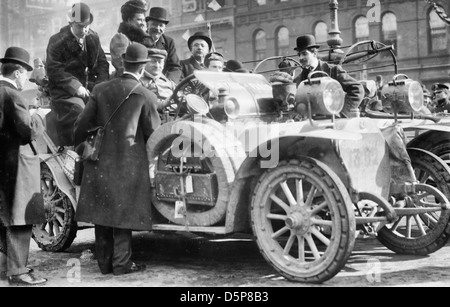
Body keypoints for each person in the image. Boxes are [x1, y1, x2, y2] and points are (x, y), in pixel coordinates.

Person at [73, 43, 161, 276]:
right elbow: (155, 134)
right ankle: (122, 264)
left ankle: (104, 264)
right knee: (124, 212)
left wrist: (82, 146)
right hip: (129, 164)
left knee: (102, 212)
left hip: (99, 160)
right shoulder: (145, 94)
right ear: (142, 68)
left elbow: (80, 126)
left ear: (123, 62)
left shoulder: (100, 89)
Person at [0, 46, 47, 286]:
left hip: (2, 165)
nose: (25, 78)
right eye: (25, 73)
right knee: (20, 217)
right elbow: (27, 131)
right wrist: (38, 116)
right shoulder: (12, 95)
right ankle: (17, 273)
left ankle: (5, 267)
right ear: (18, 72)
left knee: (4, 217)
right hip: (16, 166)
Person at [46, 2, 110, 147]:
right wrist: (76, 87)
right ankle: (78, 150)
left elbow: (102, 64)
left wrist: (100, 86)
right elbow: (54, 70)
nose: (84, 29)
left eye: (86, 25)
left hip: (91, 89)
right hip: (65, 93)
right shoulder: (57, 41)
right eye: (80, 26)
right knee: (80, 112)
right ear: (71, 23)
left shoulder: (93, 37)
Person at [270, 35, 364, 118]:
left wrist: (341, 113)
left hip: (333, 122)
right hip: (311, 125)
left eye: (304, 53)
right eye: (299, 54)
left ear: (314, 53)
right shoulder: (299, 80)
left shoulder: (333, 70)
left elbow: (357, 89)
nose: (300, 58)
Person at [110, 0, 150, 77]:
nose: (143, 23)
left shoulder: (143, 38)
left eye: (143, 20)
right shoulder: (121, 39)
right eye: (139, 20)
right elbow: (122, 67)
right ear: (129, 20)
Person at [145, 7, 182, 83]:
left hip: (162, 83)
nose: (158, 28)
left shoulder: (168, 42)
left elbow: (175, 67)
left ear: (164, 28)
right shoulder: (138, 40)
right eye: (154, 24)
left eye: (161, 25)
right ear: (147, 25)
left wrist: (169, 83)